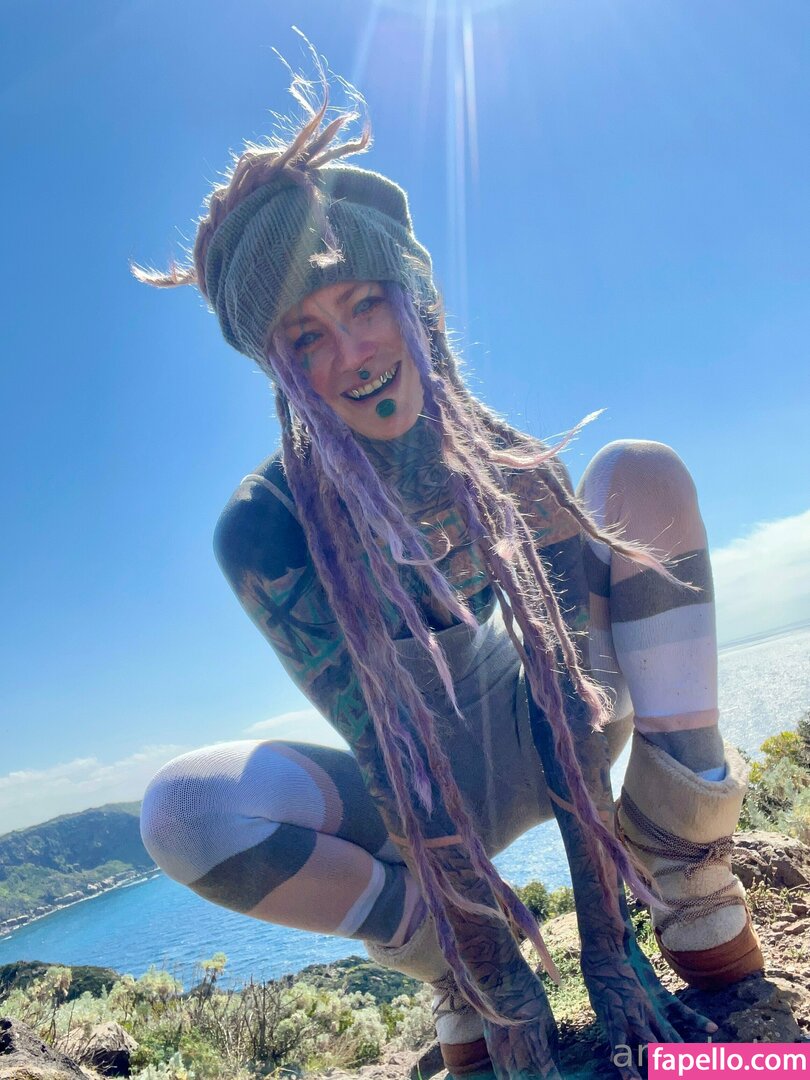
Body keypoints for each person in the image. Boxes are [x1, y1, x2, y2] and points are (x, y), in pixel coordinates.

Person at [134, 71, 763, 1079]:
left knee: (641, 475)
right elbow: (390, 757)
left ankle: (686, 872)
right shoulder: (264, 529)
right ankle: (452, 973)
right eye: (306, 335)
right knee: (184, 813)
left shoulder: (503, 461)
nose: (354, 353)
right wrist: (505, 990)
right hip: (422, 774)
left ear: (414, 301)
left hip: (547, 719)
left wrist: (611, 957)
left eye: (364, 304)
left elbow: (568, 709)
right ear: (280, 366)